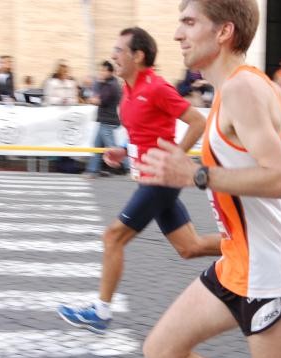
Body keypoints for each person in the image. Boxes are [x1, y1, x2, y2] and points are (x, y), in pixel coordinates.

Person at [136, 1, 281, 358]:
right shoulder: (243, 87)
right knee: (163, 351)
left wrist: (198, 175)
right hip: (237, 263)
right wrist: (262, 190)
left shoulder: (244, 89)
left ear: (223, 32)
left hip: (271, 275)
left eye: (188, 23)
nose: (178, 34)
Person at [57, 27, 222, 333]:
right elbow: (145, 135)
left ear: (138, 55)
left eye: (119, 50)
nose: (113, 56)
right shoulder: (128, 90)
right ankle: (251, 248)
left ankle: (101, 312)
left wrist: (176, 155)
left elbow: (198, 121)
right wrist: (123, 151)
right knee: (190, 247)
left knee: (113, 237)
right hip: (147, 177)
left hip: (160, 180)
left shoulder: (157, 87)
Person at [83, 60, 124, 178]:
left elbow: (98, 101)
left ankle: (125, 166)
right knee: (98, 146)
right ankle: (92, 171)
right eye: (100, 70)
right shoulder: (105, 83)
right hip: (104, 120)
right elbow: (95, 94)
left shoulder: (112, 86)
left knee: (111, 148)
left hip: (108, 121)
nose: (100, 72)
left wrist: (92, 98)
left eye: (103, 70)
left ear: (110, 72)